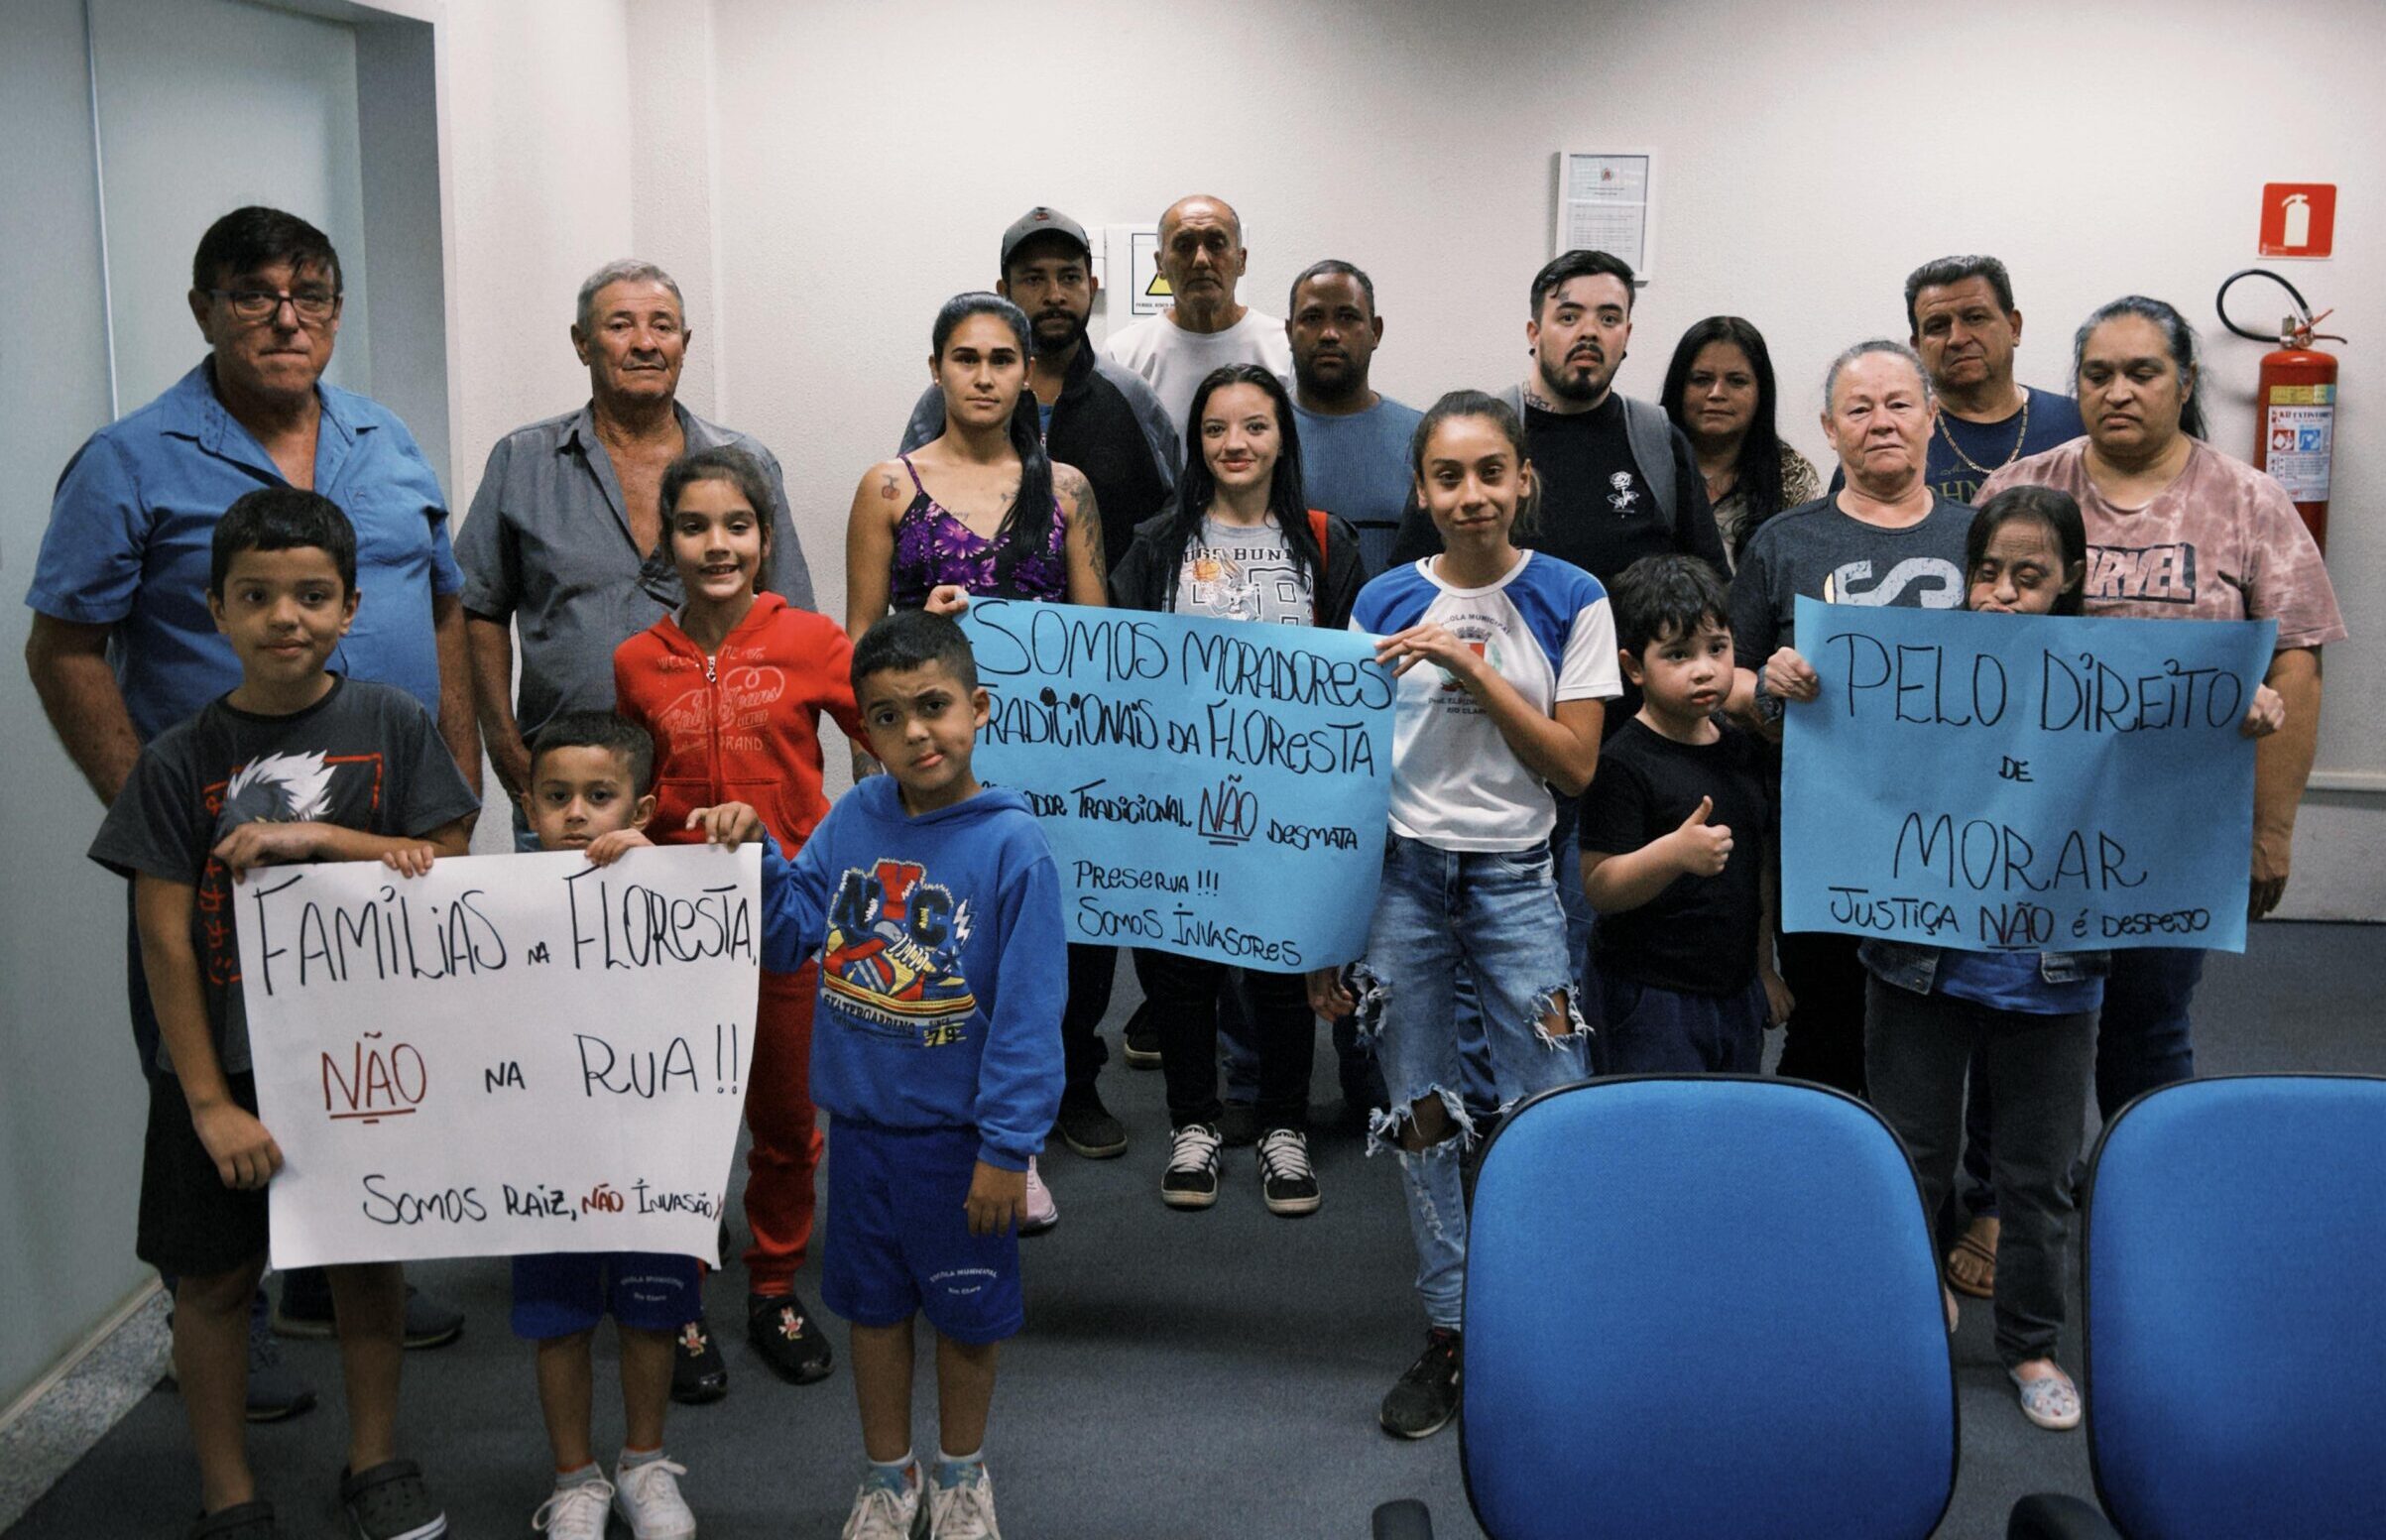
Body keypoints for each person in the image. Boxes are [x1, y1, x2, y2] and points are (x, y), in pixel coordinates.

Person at [24, 204, 474, 1416]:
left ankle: (332, 1275)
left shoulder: (387, 441)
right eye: (253, 291)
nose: (286, 315)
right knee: (202, 1081)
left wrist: (459, 789)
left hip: (372, 846)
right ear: (203, 308)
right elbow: (62, 644)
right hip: (217, 854)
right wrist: (153, 814)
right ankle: (218, 1304)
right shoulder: (129, 458)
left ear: (335, 310)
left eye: (310, 293)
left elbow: (442, 615)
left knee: (365, 1065)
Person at [85, 489, 480, 1540]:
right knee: (213, 1281)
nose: (286, 617)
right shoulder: (178, 758)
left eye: (313, 595)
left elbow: (447, 864)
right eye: (256, 596)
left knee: (364, 1263)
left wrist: (314, 842)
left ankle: (376, 1456)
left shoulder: (394, 723)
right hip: (221, 1068)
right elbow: (163, 935)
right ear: (216, 609)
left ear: (351, 606)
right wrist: (208, 1101)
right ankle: (228, 1491)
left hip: (361, 1061)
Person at [1859, 487, 2279, 1434]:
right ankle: (1911, 1302)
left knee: (2036, 1175)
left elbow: (2185, 734)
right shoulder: (1916, 662)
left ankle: (2031, 1342)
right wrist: (1791, 679)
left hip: (2052, 974)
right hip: (1918, 963)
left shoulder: (2109, 677)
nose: (2002, 593)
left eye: (2030, 576)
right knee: (1910, 1155)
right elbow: (1832, 722)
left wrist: (2238, 705)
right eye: (1987, 572)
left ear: (2073, 580)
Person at [693, 609, 1064, 1540]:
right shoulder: (855, 815)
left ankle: (963, 1474)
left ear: (977, 707)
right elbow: (792, 931)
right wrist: (754, 856)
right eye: (888, 717)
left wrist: (1008, 1149)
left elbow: (1028, 1018)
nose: (915, 733)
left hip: (964, 1146)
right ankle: (889, 1475)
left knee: (970, 1315)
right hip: (861, 1134)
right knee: (872, 1308)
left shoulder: (1015, 847)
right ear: (864, 731)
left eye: (934, 706)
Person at [1313, 391, 1611, 1441]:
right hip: (1400, 882)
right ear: (1422, 487)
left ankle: (1549, 1324)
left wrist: (1470, 664)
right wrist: (1328, 929)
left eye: (1493, 471)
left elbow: (1573, 762)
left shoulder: (1572, 596)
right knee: (1420, 1110)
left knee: (1551, 1107)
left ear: (1524, 478)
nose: (1472, 495)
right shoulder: (1382, 599)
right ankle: (1449, 1329)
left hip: (1519, 885)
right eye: (1450, 475)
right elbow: (1342, 776)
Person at [1979, 296, 2341, 1143]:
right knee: (2020, 1013)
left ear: (2183, 381)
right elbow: (1968, 640)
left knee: (2151, 1021)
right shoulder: (2025, 486)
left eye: (2142, 371)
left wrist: (2272, 829)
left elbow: (2298, 659)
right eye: (2098, 374)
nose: (2118, 391)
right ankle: (2001, 1196)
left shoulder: (2249, 501)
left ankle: (2146, 1187)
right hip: (2036, 819)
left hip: (2177, 824)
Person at [1388, 249, 1725, 983]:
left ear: (1629, 335)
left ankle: (1587, 1098)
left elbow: (1705, 588)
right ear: (1533, 328)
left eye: (1609, 318)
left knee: (1591, 964)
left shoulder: (1655, 440)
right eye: (1569, 315)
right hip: (1501, 759)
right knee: (1488, 970)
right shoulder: (1485, 437)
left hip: (1627, 759)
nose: (1588, 332)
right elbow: (1415, 586)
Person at [614, 446, 865, 1398]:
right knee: (676, 1117)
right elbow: (629, 791)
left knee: (787, 1116)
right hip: (670, 927)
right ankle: (677, 1299)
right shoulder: (636, 661)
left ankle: (772, 1285)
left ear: (763, 540)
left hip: (786, 915)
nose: (715, 544)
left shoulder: (811, 640)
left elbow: (890, 738)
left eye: (736, 526)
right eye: (693, 526)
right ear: (665, 539)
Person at [849, 292, 1103, 1221]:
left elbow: (1097, 640)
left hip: (1036, 764)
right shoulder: (888, 487)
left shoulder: (1066, 489)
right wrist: (922, 628)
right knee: (936, 949)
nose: (985, 376)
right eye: (966, 358)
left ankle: (1017, 1140)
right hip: (927, 761)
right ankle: (929, 1131)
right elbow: (859, 643)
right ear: (936, 370)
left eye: (1003, 359)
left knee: (1024, 962)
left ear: (1027, 373)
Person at [1109, 364, 1365, 1215]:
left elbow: (1352, 684)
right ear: (1196, 443)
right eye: (1216, 429)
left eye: (1254, 426)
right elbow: (1119, 668)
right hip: (1179, 800)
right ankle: (1195, 1122)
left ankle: (1284, 1126)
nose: (1235, 445)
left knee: (1281, 970)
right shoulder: (1158, 544)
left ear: (1282, 437)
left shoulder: (1326, 543)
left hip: (1288, 808)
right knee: (1182, 969)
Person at [457, 257, 815, 850]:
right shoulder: (522, 462)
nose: (645, 343)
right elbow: (479, 611)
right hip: (570, 793)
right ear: (582, 343)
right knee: (564, 941)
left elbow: (791, 618)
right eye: (621, 325)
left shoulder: (744, 463)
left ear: (685, 342)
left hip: (714, 799)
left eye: (664, 326)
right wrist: (506, 750)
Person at [1730, 340, 1972, 1099]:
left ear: (1932, 417)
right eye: (1859, 409)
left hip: (1953, 834)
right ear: (1830, 430)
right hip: (1820, 833)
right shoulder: (1784, 540)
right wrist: (1766, 683)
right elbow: (1725, 673)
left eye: (1899, 403)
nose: (1882, 422)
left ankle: (1919, 1190)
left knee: (1938, 1023)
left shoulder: (1981, 536)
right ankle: (1821, 1191)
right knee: (1827, 1021)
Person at [509, 712, 700, 1540]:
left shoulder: (674, 887)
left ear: (643, 805)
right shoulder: (494, 908)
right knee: (559, 1318)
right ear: (528, 805)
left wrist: (668, 876)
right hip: (545, 1153)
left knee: (653, 1310)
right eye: (557, 797)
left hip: (651, 1148)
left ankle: (644, 1462)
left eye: (599, 796)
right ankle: (574, 1476)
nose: (577, 814)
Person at [1579, 554, 1792, 1071]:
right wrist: (1673, 854)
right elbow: (1599, 886)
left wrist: (1764, 970)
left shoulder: (1741, 748)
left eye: (1717, 649)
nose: (1704, 669)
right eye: (1677, 655)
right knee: (1658, 1134)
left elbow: (1756, 869)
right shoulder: (1622, 763)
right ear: (1634, 668)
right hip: (1650, 993)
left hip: (1733, 988)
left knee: (1727, 1129)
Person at [898, 206, 1179, 573]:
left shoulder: (1130, 395)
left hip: (1105, 625)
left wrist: (1126, 589)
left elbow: (1173, 515)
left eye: (1070, 277)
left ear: (1091, 287)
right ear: (1004, 291)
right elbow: (908, 510)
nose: (1055, 295)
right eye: (1034, 279)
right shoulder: (951, 400)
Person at [1102, 194, 1293, 432]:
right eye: (1184, 246)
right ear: (1160, 264)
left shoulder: (1283, 349)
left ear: (1241, 260)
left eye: (1216, 244)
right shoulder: (1123, 355)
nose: (1201, 260)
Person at [1286, 259, 1425, 577]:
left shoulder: (1422, 436)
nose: (1330, 334)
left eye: (1347, 317)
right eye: (1312, 318)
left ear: (1375, 332)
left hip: (1397, 626)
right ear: (1289, 331)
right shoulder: (1259, 437)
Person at [1659, 315, 1820, 565]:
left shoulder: (1791, 474)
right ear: (1679, 387)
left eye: (1736, 381)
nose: (1716, 394)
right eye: (1701, 379)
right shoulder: (1646, 461)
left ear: (1760, 392)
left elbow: (1809, 569)